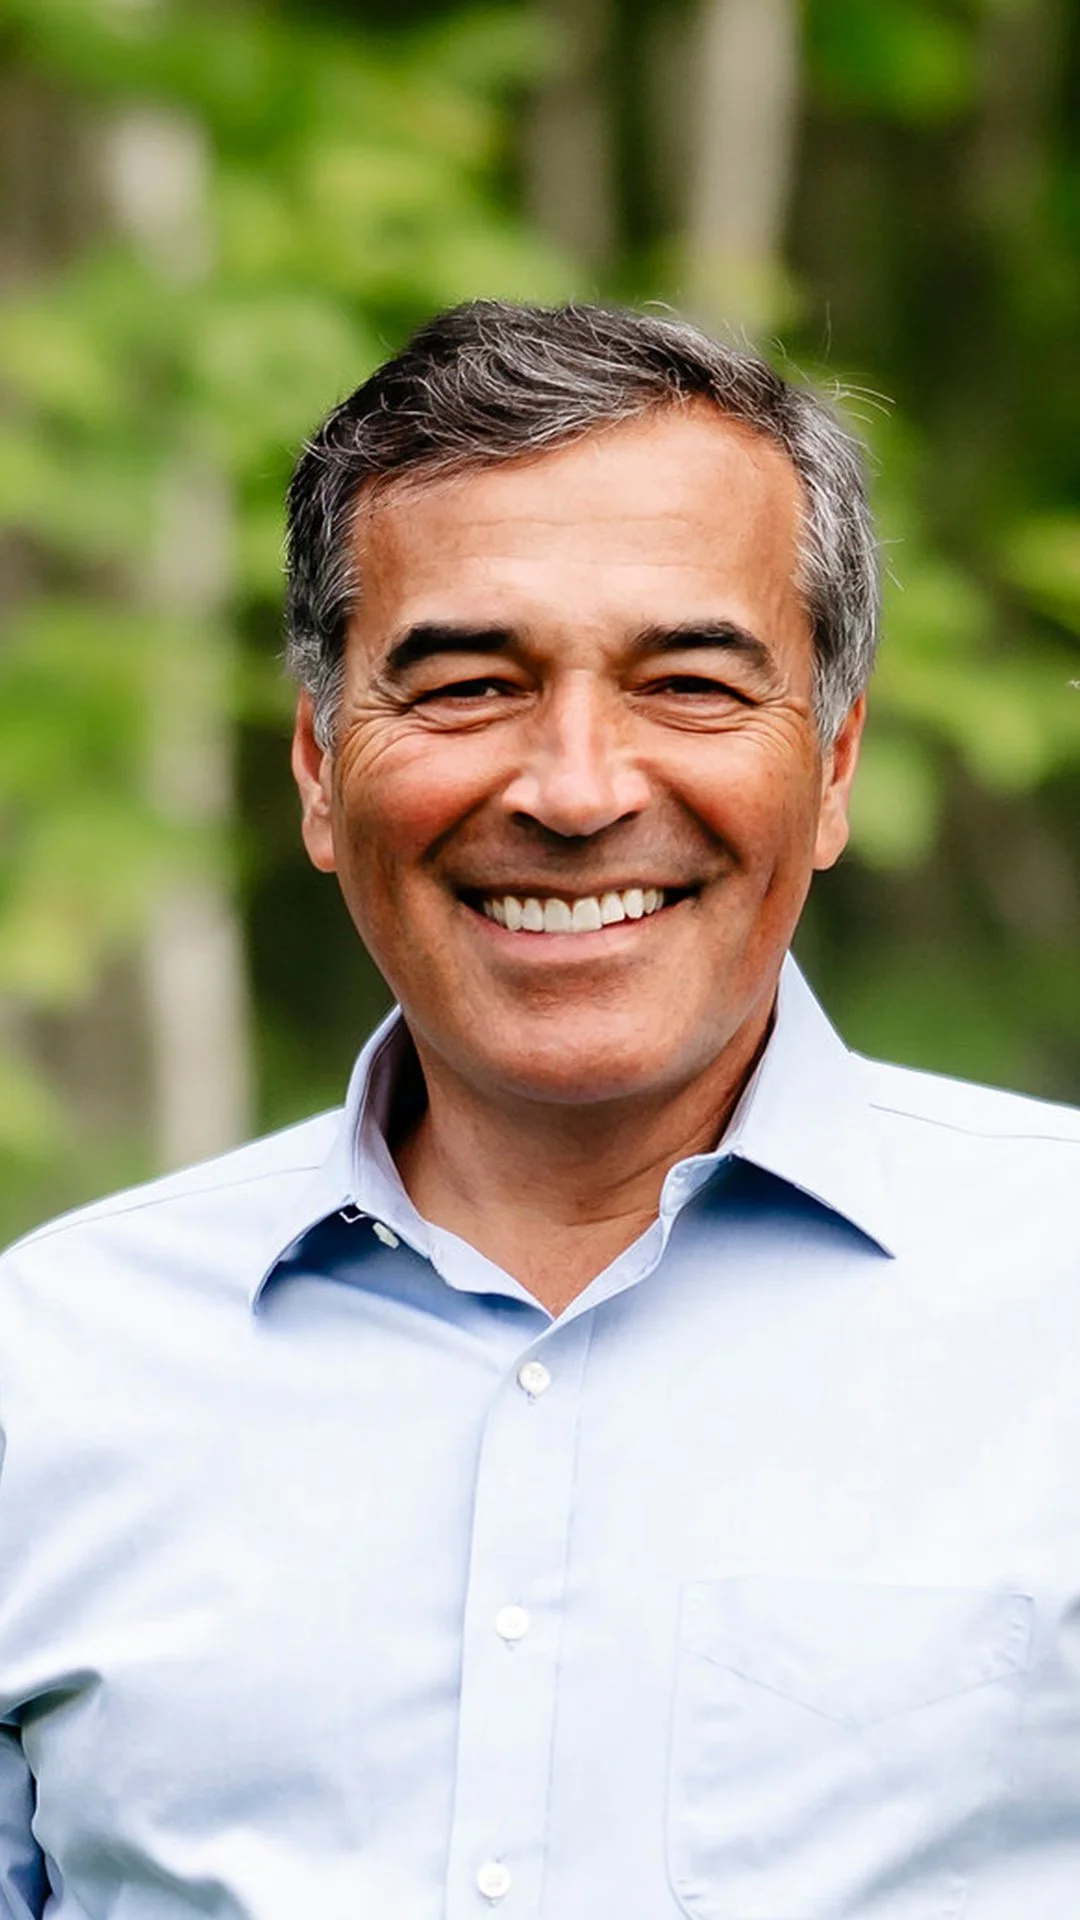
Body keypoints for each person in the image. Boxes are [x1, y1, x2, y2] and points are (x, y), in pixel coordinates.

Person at [0, 300, 1077, 1920]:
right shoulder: (45, 1371)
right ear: (315, 767)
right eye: (469, 685)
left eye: (693, 684)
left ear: (837, 761)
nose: (575, 791)